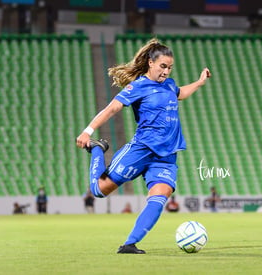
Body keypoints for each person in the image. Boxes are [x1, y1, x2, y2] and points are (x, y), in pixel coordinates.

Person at [76, 38, 211, 254]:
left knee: (160, 195)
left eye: (170, 67)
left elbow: (180, 93)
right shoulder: (138, 86)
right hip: (141, 149)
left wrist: (199, 82)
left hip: (166, 155)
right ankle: (98, 150)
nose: (166, 71)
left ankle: (129, 244)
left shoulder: (168, 84)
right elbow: (112, 109)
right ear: (150, 62)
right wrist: (88, 131)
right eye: (163, 66)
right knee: (99, 191)